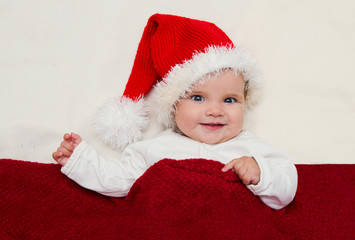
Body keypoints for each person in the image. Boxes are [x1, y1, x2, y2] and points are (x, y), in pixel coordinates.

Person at [52, 14, 297, 210]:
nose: (215, 110)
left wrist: (261, 172)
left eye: (230, 100)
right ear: (174, 105)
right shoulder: (155, 149)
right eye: (198, 97)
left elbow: (286, 186)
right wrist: (81, 160)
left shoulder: (250, 149)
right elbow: (120, 179)